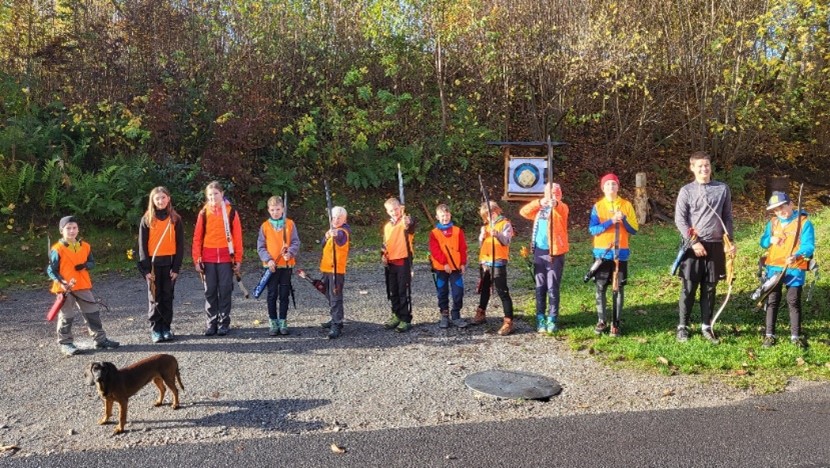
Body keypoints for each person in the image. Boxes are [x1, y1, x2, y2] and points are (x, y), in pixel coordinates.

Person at [674, 151, 735, 343]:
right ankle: (683, 326)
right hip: (693, 246)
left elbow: (727, 217)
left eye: (707, 165)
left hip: (715, 246)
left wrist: (730, 242)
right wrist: (694, 242)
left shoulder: (722, 189)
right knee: (689, 287)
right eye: (700, 166)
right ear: (692, 168)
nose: (704, 169)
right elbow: (680, 220)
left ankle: (706, 326)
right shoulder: (686, 191)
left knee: (710, 288)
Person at [47, 216, 120, 356]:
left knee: (92, 312)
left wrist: (85, 265)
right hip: (65, 289)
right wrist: (62, 282)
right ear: (61, 231)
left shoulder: (85, 246)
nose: (72, 231)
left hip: (83, 285)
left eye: (74, 228)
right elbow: (51, 270)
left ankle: (100, 339)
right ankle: (65, 343)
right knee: (67, 316)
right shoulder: (57, 249)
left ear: (78, 229)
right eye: (68, 228)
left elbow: (92, 263)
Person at [759, 191, 815, 349]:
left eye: (782, 207)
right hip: (774, 268)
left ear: (791, 204)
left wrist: (797, 255)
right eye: (776, 210)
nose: (779, 212)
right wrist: (770, 239)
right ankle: (769, 335)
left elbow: (809, 246)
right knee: (772, 301)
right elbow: (763, 242)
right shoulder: (773, 223)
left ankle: (795, 336)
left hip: (794, 268)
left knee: (793, 301)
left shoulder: (804, 223)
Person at [587, 174, 638, 337]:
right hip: (602, 254)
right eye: (608, 184)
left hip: (620, 254)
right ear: (603, 188)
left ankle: (616, 322)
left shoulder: (626, 205)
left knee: (619, 287)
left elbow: (634, 230)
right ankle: (601, 320)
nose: (611, 187)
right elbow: (593, 230)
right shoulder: (598, 206)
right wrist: (610, 221)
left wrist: (623, 219)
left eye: (614, 184)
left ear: (618, 186)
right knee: (600, 287)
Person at [192, 181, 243, 337]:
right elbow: (197, 238)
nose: (213, 197)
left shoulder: (231, 212)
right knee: (210, 290)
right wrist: (197, 259)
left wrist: (238, 259)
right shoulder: (203, 213)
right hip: (208, 257)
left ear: (222, 194)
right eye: (210, 195)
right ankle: (211, 323)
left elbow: (237, 237)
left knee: (225, 289)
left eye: (216, 193)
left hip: (227, 257)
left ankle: (224, 323)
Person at [520, 182, 569, 333]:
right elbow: (524, 212)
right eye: (550, 193)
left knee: (552, 286)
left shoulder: (561, 208)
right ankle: (540, 317)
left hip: (554, 252)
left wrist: (556, 204)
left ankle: (552, 318)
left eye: (556, 193)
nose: (554, 195)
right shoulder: (540, 209)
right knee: (540, 285)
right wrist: (540, 202)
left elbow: (562, 209)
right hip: (539, 251)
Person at [138, 186, 184, 343]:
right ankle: (156, 329)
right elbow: (142, 246)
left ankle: (166, 327)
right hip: (153, 264)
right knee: (154, 297)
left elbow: (180, 245)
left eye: (163, 197)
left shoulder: (175, 219)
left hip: (169, 263)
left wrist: (176, 267)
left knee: (167, 296)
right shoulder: (147, 219)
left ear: (168, 198)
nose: (161, 201)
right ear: (152, 200)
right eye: (157, 198)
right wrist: (146, 270)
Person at [256, 195, 300, 336]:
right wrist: (268, 260)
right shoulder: (265, 226)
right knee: (272, 294)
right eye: (272, 210)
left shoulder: (290, 224)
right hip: (271, 267)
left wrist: (290, 253)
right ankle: (273, 321)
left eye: (278, 209)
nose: (275, 212)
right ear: (268, 210)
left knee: (284, 294)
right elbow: (261, 247)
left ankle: (283, 321)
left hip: (286, 266)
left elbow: (295, 242)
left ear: (283, 209)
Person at [475, 200, 515, 335]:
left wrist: (497, 234)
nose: (489, 216)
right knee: (484, 288)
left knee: (502, 290)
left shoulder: (505, 224)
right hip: (485, 261)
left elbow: (506, 241)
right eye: (486, 215)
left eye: (491, 213)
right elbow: (481, 245)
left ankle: (508, 321)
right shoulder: (486, 226)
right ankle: (481, 312)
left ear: (497, 211)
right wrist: (482, 237)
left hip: (498, 261)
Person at [428, 203, 468, 329]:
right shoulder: (434, 233)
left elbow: (463, 248)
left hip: (456, 268)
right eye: (442, 216)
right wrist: (444, 263)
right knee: (442, 291)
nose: (445, 218)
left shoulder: (458, 231)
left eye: (446, 215)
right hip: (441, 268)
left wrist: (463, 263)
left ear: (450, 215)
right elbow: (435, 251)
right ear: (437, 217)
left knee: (458, 291)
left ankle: (456, 314)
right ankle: (444, 314)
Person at [381, 197, 416, 333]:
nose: (394, 212)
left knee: (403, 291)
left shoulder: (404, 222)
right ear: (387, 212)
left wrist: (409, 222)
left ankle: (405, 318)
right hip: (391, 263)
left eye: (396, 209)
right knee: (392, 291)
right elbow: (385, 243)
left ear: (400, 208)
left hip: (403, 261)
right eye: (391, 210)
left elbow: (411, 225)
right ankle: (396, 314)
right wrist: (383, 255)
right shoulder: (387, 226)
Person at [319, 206, 351, 339]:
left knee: (335, 296)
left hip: (336, 270)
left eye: (339, 218)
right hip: (327, 268)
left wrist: (335, 234)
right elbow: (323, 244)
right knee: (327, 292)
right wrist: (326, 236)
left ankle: (337, 323)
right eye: (334, 217)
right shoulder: (331, 231)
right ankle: (335, 317)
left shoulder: (343, 232)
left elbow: (340, 238)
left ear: (344, 220)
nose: (336, 220)